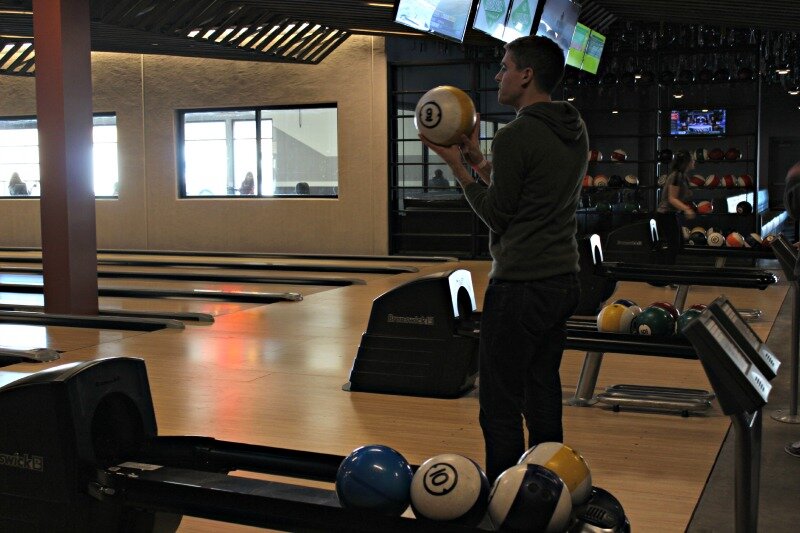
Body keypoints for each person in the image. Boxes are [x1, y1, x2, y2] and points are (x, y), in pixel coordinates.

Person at [419, 35, 588, 483]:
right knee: (543, 391)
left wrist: (458, 170)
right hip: (562, 280)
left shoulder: (517, 133)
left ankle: (505, 498)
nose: (499, 75)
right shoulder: (572, 126)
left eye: (506, 66)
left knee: (499, 404)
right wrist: (478, 160)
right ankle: (550, 487)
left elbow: (499, 214)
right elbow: (531, 192)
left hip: (521, 286)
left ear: (527, 75)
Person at [655, 150, 696, 253]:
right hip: (665, 214)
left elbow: (682, 195)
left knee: (679, 245)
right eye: (692, 159)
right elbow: (672, 198)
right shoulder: (676, 176)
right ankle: (666, 267)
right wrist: (687, 209)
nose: (694, 161)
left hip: (672, 214)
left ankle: (671, 266)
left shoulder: (682, 176)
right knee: (674, 246)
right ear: (686, 162)